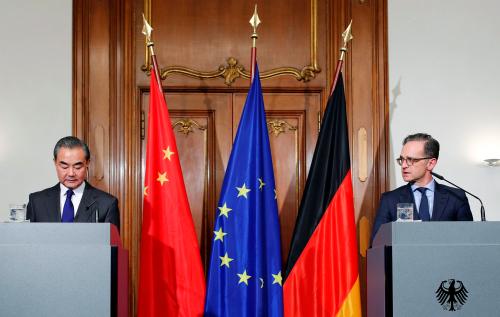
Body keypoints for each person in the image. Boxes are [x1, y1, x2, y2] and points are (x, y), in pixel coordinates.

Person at [371, 133, 472, 243]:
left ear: (430, 163)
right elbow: (376, 245)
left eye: (411, 160)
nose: (404, 165)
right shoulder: (389, 200)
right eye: (402, 159)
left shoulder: (456, 197)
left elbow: (468, 241)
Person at [26, 136, 120, 230]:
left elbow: (112, 244)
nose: (71, 173)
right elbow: (28, 242)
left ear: (87, 163)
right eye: (64, 167)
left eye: (77, 167)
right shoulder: (37, 202)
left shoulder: (107, 204)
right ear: (55, 163)